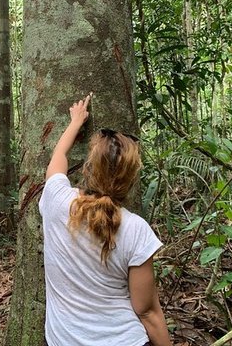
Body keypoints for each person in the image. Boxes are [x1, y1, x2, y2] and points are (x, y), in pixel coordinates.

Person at [39, 94, 171, 346]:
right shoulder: (136, 230)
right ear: (131, 181)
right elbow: (147, 311)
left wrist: (76, 122)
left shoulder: (57, 201)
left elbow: (57, 160)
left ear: (88, 167)